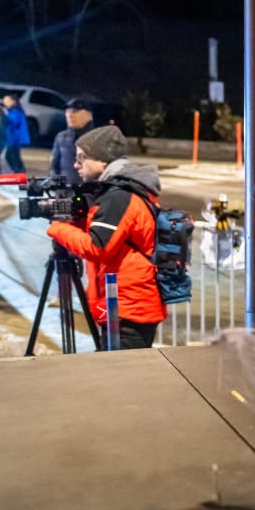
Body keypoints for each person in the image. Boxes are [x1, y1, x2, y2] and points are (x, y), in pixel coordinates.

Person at [46, 125, 166, 349]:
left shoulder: (119, 196)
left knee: (121, 380)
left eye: (82, 158)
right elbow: (110, 238)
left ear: (103, 160)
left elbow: (97, 247)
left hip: (128, 310)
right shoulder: (120, 190)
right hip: (122, 306)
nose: (76, 165)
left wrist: (58, 227)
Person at [50, 98, 95, 185]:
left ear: (88, 115)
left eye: (74, 111)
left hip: (90, 193)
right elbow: (54, 166)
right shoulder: (61, 137)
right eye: (67, 111)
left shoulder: (98, 137)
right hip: (66, 192)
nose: (69, 115)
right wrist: (56, 186)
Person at [2, 93, 30, 174]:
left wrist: (5, 118)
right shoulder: (12, 111)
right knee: (12, 157)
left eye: (7, 101)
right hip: (11, 139)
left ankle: (20, 173)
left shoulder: (16, 112)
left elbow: (12, 122)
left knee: (13, 157)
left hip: (14, 139)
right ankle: (19, 172)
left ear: (13, 102)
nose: (5, 103)